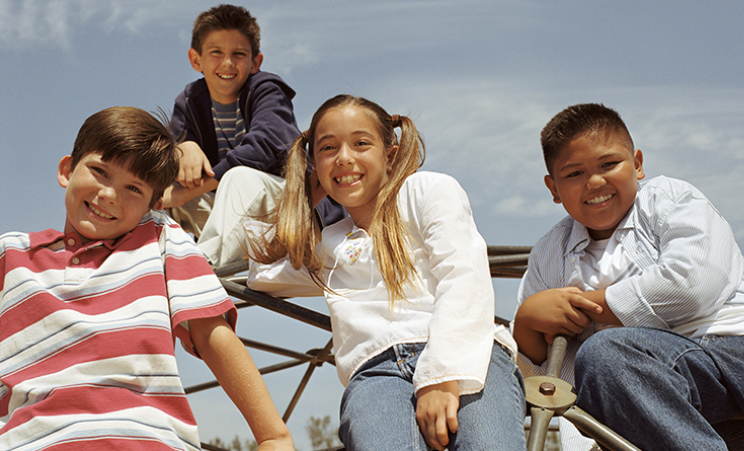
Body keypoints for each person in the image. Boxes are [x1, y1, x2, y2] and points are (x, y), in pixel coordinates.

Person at [0, 106, 294, 451]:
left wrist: (273, 436)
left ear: (155, 204)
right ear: (67, 170)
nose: (109, 194)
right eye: (99, 171)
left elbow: (212, 332)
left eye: (133, 189)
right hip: (30, 440)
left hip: (144, 437)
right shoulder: (11, 254)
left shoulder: (159, 239)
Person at [513, 103, 744, 451]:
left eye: (609, 164)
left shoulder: (668, 198)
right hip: (659, 371)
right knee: (604, 355)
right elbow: (542, 370)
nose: (595, 181)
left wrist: (587, 307)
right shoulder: (549, 253)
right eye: (574, 174)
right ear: (553, 188)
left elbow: (695, 283)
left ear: (637, 164)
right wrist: (527, 322)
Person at [246, 95, 526, 451]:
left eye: (361, 143)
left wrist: (441, 376)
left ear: (390, 154)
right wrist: (307, 191)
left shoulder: (426, 191)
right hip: (376, 371)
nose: (344, 157)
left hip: (465, 353)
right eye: (328, 149)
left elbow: (463, 276)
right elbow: (263, 271)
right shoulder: (331, 241)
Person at [166, 4, 344, 268]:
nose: (227, 63)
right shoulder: (190, 101)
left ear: (255, 62)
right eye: (216, 52)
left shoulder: (267, 90)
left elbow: (265, 147)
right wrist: (183, 147)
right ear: (196, 59)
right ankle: (153, 264)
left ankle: (199, 269)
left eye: (238, 54)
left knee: (238, 179)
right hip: (242, 226)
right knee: (158, 196)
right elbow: (165, 163)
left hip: (297, 215)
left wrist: (185, 192)